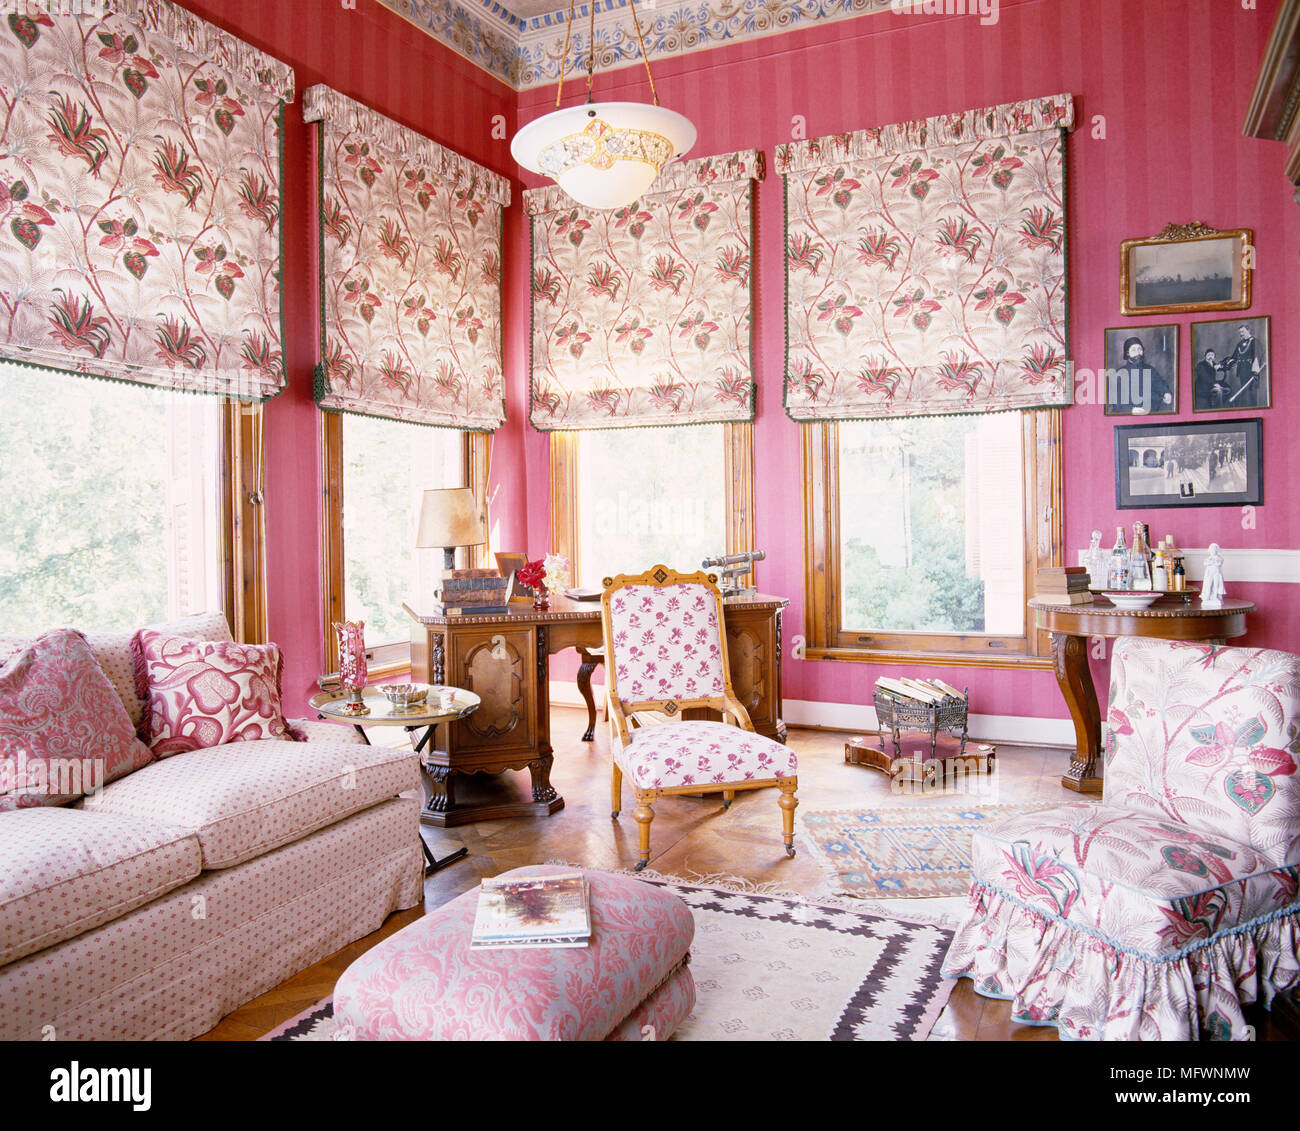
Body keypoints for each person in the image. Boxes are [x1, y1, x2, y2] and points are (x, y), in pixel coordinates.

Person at [1110, 336, 1173, 414]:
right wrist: (1131, 410)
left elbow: (1160, 385)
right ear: (1127, 353)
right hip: (1128, 417)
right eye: (1133, 350)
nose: (1138, 353)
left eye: (1140, 349)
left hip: (1151, 413)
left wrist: (1166, 393)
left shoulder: (1150, 370)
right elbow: (1116, 401)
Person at [1222, 324, 1263, 407]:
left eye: (1243, 331)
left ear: (1248, 331)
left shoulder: (1255, 341)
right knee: (1244, 393)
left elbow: (1257, 357)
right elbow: (1234, 357)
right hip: (1242, 371)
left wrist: (1255, 372)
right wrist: (1224, 365)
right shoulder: (1240, 344)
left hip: (1251, 372)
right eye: (1240, 332)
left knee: (1252, 393)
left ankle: (1254, 410)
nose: (1241, 334)